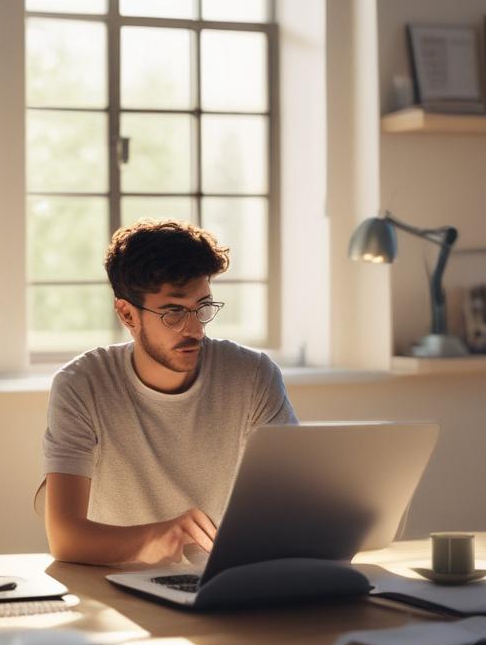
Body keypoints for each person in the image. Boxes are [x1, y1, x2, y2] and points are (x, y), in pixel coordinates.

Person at [41, 218, 297, 566]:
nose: (194, 329)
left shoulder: (253, 376)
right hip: (117, 584)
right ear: (127, 314)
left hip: (224, 578)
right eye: (174, 312)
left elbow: (297, 503)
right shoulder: (82, 384)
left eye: (202, 308)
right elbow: (65, 538)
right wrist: (158, 537)